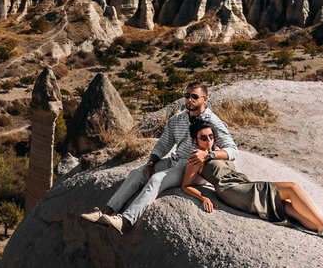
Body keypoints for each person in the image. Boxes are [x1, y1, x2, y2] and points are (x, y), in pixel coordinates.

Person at [80, 83, 238, 233]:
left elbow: (232, 151)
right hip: (175, 161)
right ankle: (106, 212)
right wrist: (150, 163)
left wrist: (208, 154)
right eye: (187, 95)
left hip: (194, 168)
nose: (189, 99)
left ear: (205, 99)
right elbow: (163, 145)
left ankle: (125, 221)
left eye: (194, 96)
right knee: (137, 174)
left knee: (156, 180)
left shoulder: (213, 122)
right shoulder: (178, 120)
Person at [178, 119, 323, 242]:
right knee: (292, 187)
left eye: (211, 136)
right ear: (196, 139)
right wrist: (203, 197)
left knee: (287, 207)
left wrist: (210, 153)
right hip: (230, 190)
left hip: (243, 184)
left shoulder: (215, 152)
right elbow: (186, 185)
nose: (209, 140)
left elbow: (231, 151)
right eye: (204, 138)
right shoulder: (196, 157)